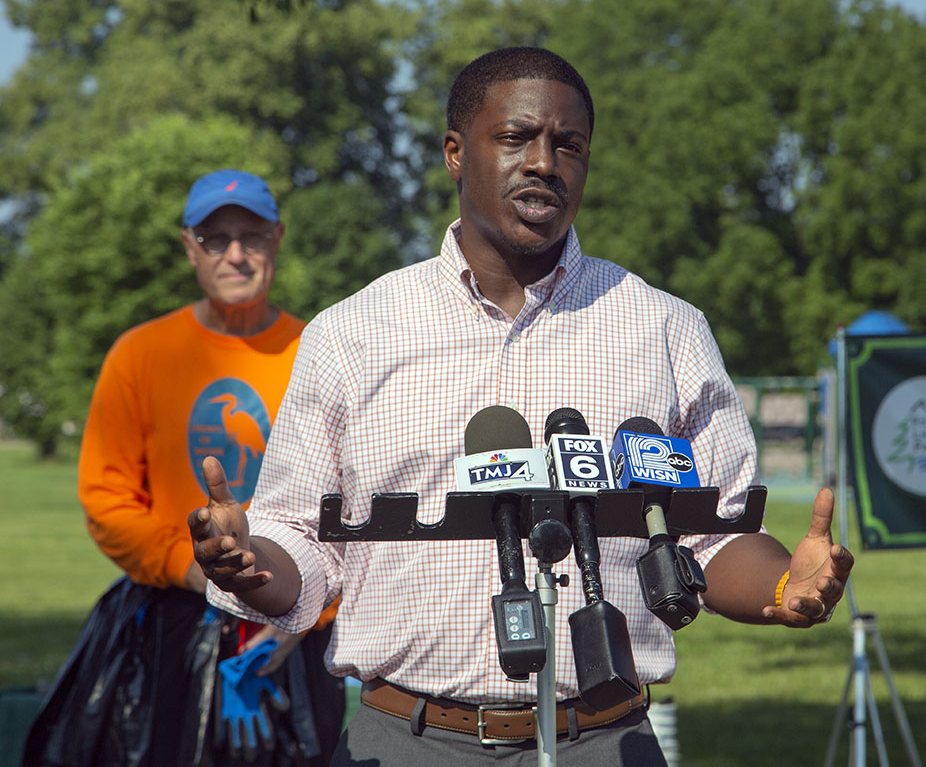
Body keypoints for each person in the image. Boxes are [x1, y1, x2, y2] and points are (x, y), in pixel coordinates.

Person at [191, 50, 854, 766]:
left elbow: (710, 536)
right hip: (406, 739)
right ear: (454, 153)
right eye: (516, 138)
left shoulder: (664, 330)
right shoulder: (352, 333)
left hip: (605, 740)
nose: (545, 162)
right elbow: (302, 539)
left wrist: (787, 585)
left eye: (569, 145)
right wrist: (248, 560)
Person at [25, 170, 344, 767]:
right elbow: (108, 503)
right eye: (215, 238)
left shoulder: (321, 351)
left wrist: (304, 614)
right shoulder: (140, 355)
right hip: (168, 626)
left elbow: (351, 508)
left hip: (291, 632)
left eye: (251, 235)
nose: (236, 254)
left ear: (277, 238)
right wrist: (197, 572)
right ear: (188, 247)